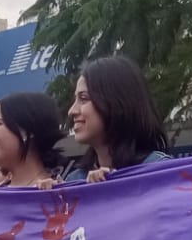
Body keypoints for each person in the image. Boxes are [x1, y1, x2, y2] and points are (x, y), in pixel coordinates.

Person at [64, 55, 172, 183]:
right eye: (75, 100)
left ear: (116, 103)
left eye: (83, 98)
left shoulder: (160, 170)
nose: (72, 111)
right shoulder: (75, 180)